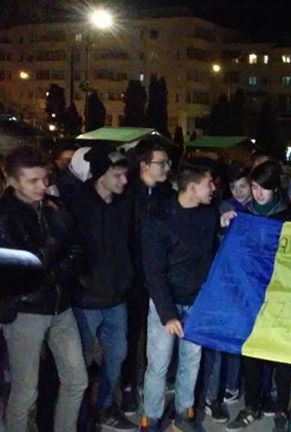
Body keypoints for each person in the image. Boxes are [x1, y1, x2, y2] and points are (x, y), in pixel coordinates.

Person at [0, 146, 88, 432]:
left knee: (77, 380)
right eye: (33, 181)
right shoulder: (5, 215)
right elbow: (23, 268)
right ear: (12, 180)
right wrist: (56, 241)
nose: (42, 185)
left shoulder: (54, 206)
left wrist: (55, 272)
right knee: (25, 391)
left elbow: (77, 251)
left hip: (61, 306)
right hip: (25, 310)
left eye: (45, 178)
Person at [140, 163, 220, 432]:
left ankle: (184, 413)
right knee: (158, 364)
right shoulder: (159, 219)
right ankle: (151, 417)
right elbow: (153, 271)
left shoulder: (208, 213)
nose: (213, 188)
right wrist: (168, 314)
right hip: (167, 303)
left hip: (197, 302)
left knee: (191, 361)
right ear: (193, 188)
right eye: (209, 183)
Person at [226, 160, 291, 432]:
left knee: (281, 354)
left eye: (262, 188)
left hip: (281, 293)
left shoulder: (290, 217)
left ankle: (281, 409)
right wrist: (226, 225)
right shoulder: (245, 215)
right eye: (254, 187)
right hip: (252, 293)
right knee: (252, 351)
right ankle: (251, 405)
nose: (257, 193)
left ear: (274, 188)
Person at [69, 146, 136, 430]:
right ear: (100, 175)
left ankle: (106, 407)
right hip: (85, 299)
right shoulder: (77, 204)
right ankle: (81, 415)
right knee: (81, 361)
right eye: (117, 175)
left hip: (116, 297)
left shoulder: (124, 203)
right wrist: (81, 278)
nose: (124, 180)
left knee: (117, 354)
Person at [121, 138, 174, 414]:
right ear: (144, 165)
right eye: (160, 163)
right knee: (131, 335)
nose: (166, 167)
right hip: (132, 278)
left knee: (158, 335)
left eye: (167, 162)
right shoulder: (127, 194)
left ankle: (152, 382)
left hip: (159, 276)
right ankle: (128, 386)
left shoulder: (167, 195)